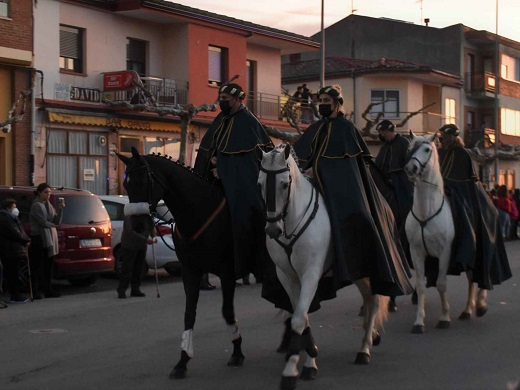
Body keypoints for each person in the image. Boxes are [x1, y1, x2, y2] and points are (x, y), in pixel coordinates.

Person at [294, 85, 413, 300]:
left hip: (341, 188)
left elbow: (346, 167)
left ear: (337, 104)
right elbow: (301, 155)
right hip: (313, 183)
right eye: (320, 101)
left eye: (326, 102)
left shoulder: (347, 129)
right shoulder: (315, 128)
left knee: (354, 217)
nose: (322, 105)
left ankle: (352, 263)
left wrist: (319, 169)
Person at [193, 82, 274, 285]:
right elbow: (210, 149)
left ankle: (249, 268)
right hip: (216, 179)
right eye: (220, 98)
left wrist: (224, 169)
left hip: (243, 187)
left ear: (238, 99)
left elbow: (249, 164)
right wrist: (210, 163)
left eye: (226, 99)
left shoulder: (249, 122)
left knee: (245, 216)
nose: (222, 102)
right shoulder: (221, 119)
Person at [437, 124, 512, 288]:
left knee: (465, 213)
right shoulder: (439, 152)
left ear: (454, 138)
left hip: (460, 192)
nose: (444, 139)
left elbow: (470, 179)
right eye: (442, 136)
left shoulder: (463, 153)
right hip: (441, 189)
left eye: (447, 136)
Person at [373, 119, 414, 311]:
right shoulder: (384, 147)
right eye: (380, 132)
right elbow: (379, 168)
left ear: (391, 131)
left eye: (383, 132)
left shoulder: (404, 144)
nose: (382, 135)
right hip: (387, 187)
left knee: (406, 213)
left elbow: (410, 167)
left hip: (401, 188)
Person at [29, 183, 64, 299]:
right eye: (46, 192)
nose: (48, 194)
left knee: (49, 265)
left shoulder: (49, 205)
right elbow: (42, 222)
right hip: (39, 237)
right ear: (39, 193)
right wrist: (53, 225)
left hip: (50, 237)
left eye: (49, 192)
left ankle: (48, 289)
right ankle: (36, 291)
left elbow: (56, 220)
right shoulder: (36, 205)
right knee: (38, 265)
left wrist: (60, 209)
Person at [117, 202, 157, 299]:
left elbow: (151, 227)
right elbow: (130, 232)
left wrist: (154, 236)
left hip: (142, 246)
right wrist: (145, 240)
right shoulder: (129, 216)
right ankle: (122, 289)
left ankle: (135, 289)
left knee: (138, 268)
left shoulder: (147, 216)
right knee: (127, 268)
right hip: (130, 246)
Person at [0, 199, 31, 303]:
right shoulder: (5, 217)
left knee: (15, 272)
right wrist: (25, 240)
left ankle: (16, 294)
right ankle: (15, 295)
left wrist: (26, 239)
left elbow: (20, 230)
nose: (16, 209)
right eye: (14, 207)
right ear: (8, 207)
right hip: (9, 249)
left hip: (14, 249)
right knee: (12, 273)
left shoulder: (12, 217)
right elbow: (14, 232)